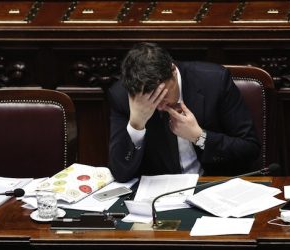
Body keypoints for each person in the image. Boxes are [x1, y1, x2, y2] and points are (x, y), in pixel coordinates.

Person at [108, 42, 260, 182]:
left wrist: (199, 137)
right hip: (159, 195)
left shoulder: (214, 81)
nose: (159, 107)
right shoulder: (123, 97)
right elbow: (121, 173)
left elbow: (249, 149)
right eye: (149, 101)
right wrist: (136, 125)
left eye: (161, 96)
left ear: (173, 72)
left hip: (213, 185)